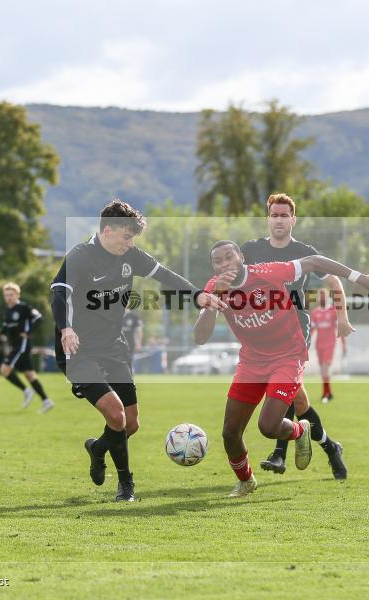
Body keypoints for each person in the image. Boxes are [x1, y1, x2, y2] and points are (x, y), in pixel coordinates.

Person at [50, 199, 226, 502]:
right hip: (78, 350)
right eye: (126, 237)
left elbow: (165, 275)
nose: (130, 243)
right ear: (107, 230)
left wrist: (198, 295)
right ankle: (126, 485)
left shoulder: (131, 255)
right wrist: (66, 328)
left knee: (130, 423)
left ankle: (98, 447)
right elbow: (59, 293)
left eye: (133, 238)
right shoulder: (80, 256)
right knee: (116, 414)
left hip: (113, 347)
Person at [193, 240, 369, 497]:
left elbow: (314, 262)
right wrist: (215, 297)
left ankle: (300, 430)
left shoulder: (268, 272)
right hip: (251, 361)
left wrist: (358, 277)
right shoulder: (215, 288)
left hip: (288, 356)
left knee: (268, 427)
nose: (224, 264)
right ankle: (247, 481)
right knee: (230, 433)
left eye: (229, 257)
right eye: (218, 261)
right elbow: (200, 337)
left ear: (241, 257)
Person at [242, 193, 350, 480]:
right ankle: (330, 446)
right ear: (268, 219)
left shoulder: (305, 252)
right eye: (274, 215)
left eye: (284, 215)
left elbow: (335, 280)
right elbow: (233, 277)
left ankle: (279, 454)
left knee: (283, 384)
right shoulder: (251, 250)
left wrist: (343, 319)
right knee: (299, 402)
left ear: (293, 219)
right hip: (264, 334)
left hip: (295, 333)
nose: (278, 219)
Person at [0, 283, 53, 413]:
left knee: (4, 370)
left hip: (22, 345)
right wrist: (0, 332)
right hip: (15, 345)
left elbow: (38, 318)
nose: (9, 297)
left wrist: (28, 332)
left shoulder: (23, 307)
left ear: (17, 295)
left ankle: (27, 391)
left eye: (11, 294)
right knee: (30, 375)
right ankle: (46, 401)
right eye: (6, 295)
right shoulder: (7, 310)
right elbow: (6, 327)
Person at [309, 289, 347, 403]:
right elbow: (312, 330)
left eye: (323, 296)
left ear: (327, 297)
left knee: (325, 367)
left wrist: (344, 344)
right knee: (322, 369)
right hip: (319, 344)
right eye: (320, 296)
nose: (322, 298)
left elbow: (339, 328)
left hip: (329, 344)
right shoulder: (315, 312)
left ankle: (325, 394)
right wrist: (305, 343)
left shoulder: (333, 311)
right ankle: (328, 392)